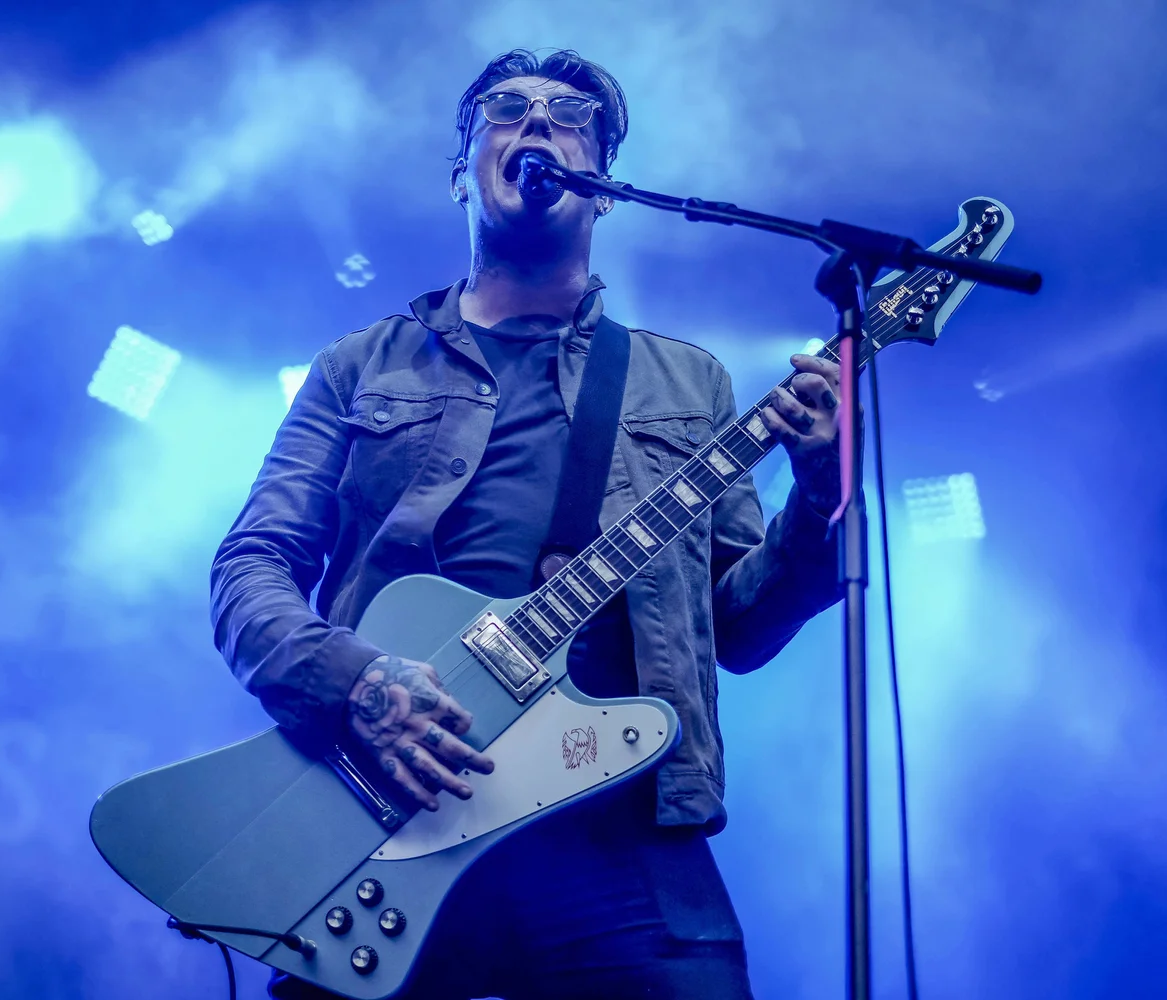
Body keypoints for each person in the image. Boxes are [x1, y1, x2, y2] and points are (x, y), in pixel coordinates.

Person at [211, 48, 847, 1000]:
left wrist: (821, 488)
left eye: (572, 117)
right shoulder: (359, 366)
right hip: (395, 803)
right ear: (460, 174)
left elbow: (742, 629)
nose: (540, 122)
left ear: (605, 191)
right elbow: (253, 564)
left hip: (617, 820)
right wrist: (358, 682)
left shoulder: (689, 381)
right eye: (506, 109)